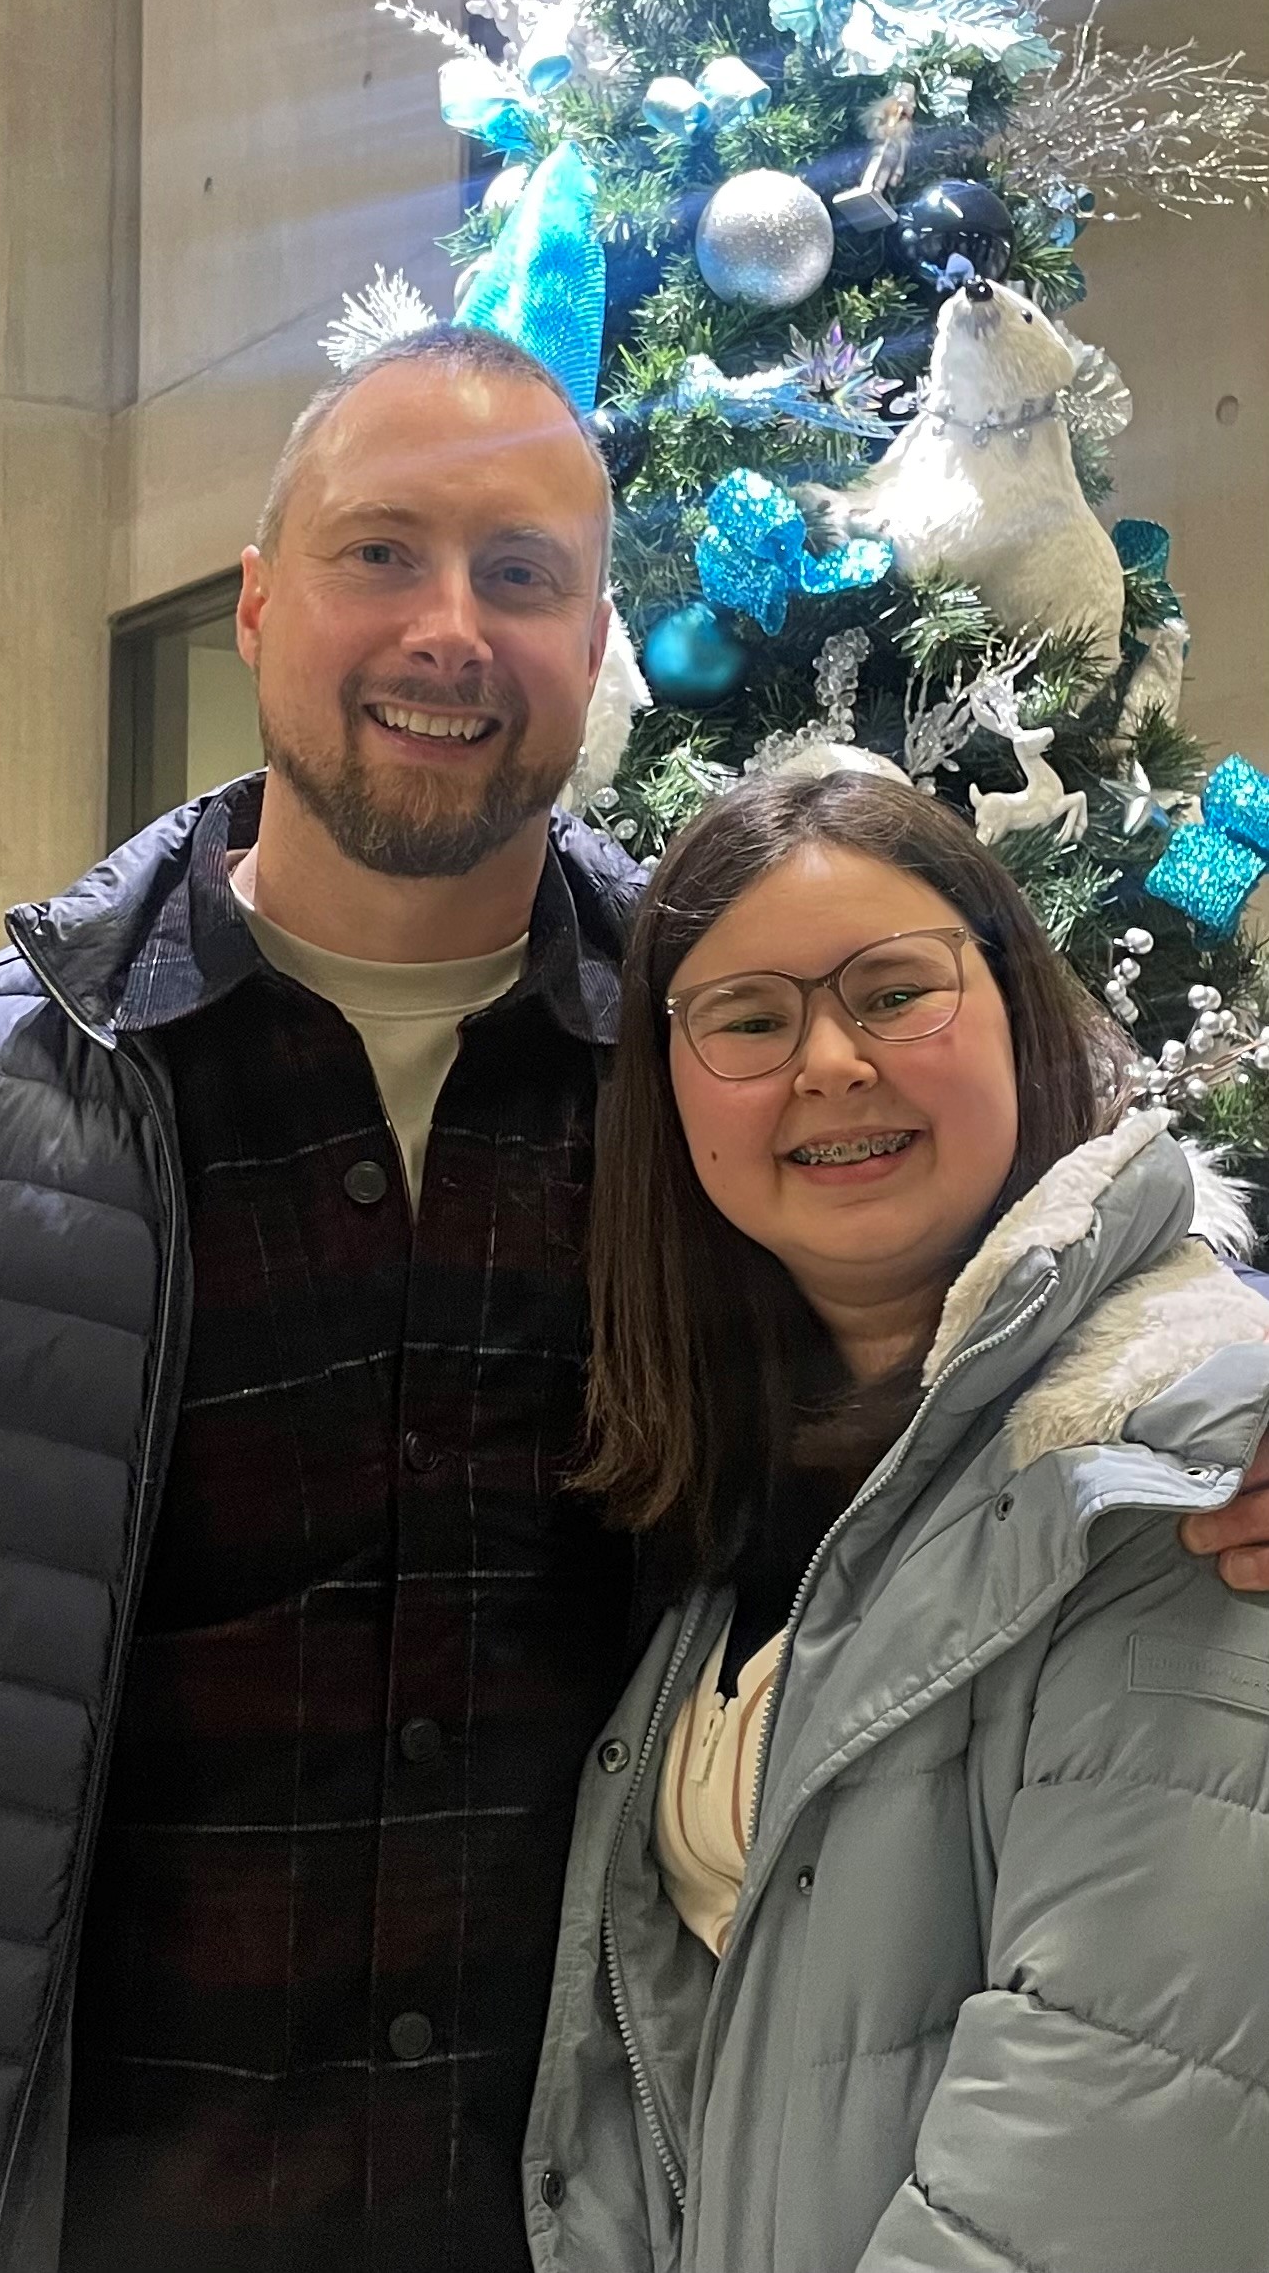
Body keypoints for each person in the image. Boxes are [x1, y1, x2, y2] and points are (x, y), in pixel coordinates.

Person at [0, 331, 1266, 2273]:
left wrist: (1222, 1405)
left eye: (520, 571)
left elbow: (1010, 1336)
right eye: (377, 551)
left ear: (593, 643)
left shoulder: (700, 1082)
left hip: (576, 2215)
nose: (447, 626)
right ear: (253, 601)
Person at [525, 771, 1269, 2273]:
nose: (828, 1062)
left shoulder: (1182, 1452)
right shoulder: (728, 1476)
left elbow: (1110, 2137)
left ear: (1015, 1004)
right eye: (745, 1017)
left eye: (893, 992)